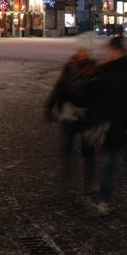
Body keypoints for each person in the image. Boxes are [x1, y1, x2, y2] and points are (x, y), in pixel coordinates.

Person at [79, 35, 127, 215]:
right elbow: (93, 97)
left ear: (118, 50)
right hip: (112, 127)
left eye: (110, 50)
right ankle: (105, 200)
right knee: (109, 164)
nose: (107, 53)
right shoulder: (104, 71)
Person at [44, 46, 98, 195]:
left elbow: (99, 93)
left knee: (87, 149)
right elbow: (59, 87)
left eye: (84, 50)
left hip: (86, 114)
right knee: (66, 146)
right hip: (68, 112)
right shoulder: (70, 66)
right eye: (80, 50)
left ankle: (88, 180)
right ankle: (66, 176)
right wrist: (49, 106)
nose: (81, 53)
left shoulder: (94, 69)